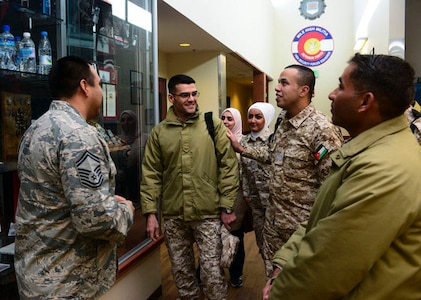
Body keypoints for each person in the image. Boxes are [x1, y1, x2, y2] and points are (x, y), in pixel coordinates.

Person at [264, 53, 421, 300]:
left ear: (364, 102)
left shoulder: (381, 169)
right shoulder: (369, 151)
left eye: (341, 86)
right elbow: (324, 212)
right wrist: (283, 262)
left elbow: (327, 265)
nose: (331, 94)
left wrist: (279, 292)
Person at [14, 56, 135, 299]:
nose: (101, 92)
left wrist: (105, 201)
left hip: (37, 276)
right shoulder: (79, 136)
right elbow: (95, 220)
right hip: (66, 283)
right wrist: (126, 210)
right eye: (99, 84)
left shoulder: (36, 128)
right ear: (84, 86)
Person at [227, 64, 343, 278]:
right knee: (271, 282)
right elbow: (273, 155)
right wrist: (242, 149)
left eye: (284, 83)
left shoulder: (322, 130)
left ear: (303, 90)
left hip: (300, 231)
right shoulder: (282, 121)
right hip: (273, 224)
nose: (277, 88)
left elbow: (332, 190)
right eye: (278, 82)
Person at [141, 74, 239, 300]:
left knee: (212, 273)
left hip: (208, 214)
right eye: (185, 95)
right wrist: (150, 214)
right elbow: (151, 175)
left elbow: (228, 166)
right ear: (171, 98)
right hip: (175, 216)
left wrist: (226, 206)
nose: (191, 99)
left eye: (194, 94)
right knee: (182, 273)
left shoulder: (211, 124)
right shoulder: (160, 133)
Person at [240, 102, 275, 260]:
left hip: (274, 202)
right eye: (250, 116)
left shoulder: (273, 140)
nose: (253, 120)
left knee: (275, 243)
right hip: (255, 203)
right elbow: (244, 172)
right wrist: (247, 193)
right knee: (261, 243)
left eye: (258, 117)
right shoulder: (243, 142)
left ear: (266, 118)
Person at [220, 107, 249, 288]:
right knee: (214, 238)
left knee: (235, 237)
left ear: (237, 122)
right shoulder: (216, 141)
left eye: (229, 119)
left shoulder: (243, 142)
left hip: (237, 198)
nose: (225, 122)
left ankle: (236, 273)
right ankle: (207, 273)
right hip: (218, 197)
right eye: (222, 118)